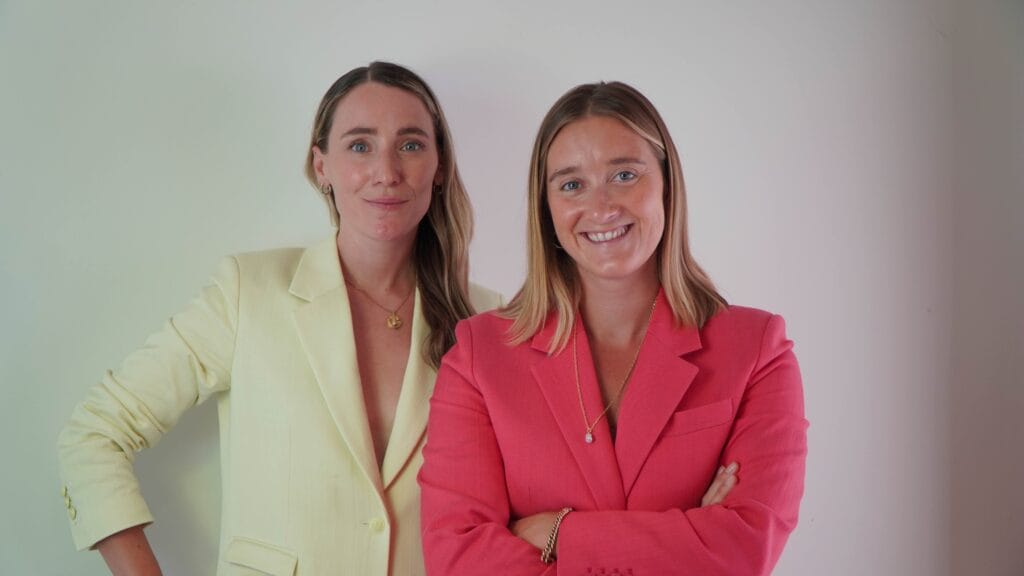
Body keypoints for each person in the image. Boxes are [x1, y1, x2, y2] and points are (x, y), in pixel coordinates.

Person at [57, 61, 502, 576]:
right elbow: (94, 435)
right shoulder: (249, 292)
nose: (386, 171)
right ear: (322, 166)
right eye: (360, 145)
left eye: (410, 144)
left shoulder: (488, 317)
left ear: (439, 165)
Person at [419, 81, 808, 575]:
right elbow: (458, 559)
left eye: (624, 175)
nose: (601, 207)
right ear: (547, 208)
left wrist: (560, 533)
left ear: (667, 183)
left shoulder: (757, 349)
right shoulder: (480, 356)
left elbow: (744, 551)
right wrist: (688, 534)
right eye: (571, 184)